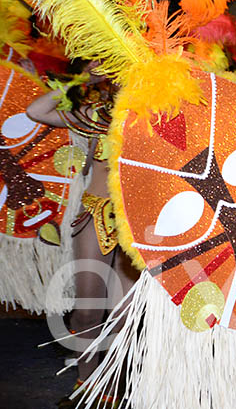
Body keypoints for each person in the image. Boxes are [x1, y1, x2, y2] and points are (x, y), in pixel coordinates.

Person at [26, 65, 138, 408]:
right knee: (89, 309)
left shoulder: (158, 115)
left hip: (138, 223)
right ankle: (86, 384)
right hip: (97, 215)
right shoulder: (97, 115)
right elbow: (35, 111)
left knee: (125, 316)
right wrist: (83, 80)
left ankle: (114, 390)